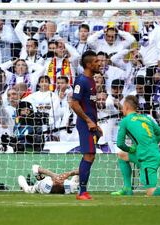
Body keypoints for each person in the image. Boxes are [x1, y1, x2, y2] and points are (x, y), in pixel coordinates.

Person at [69, 50, 102, 200]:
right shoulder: (81, 81)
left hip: (91, 124)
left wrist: (96, 123)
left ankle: (82, 190)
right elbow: (74, 103)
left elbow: (91, 106)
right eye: (96, 61)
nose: (99, 63)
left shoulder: (92, 81)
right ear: (89, 64)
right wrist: (88, 121)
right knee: (89, 155)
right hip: (84, 124)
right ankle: (82, 192)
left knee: (90, 155)